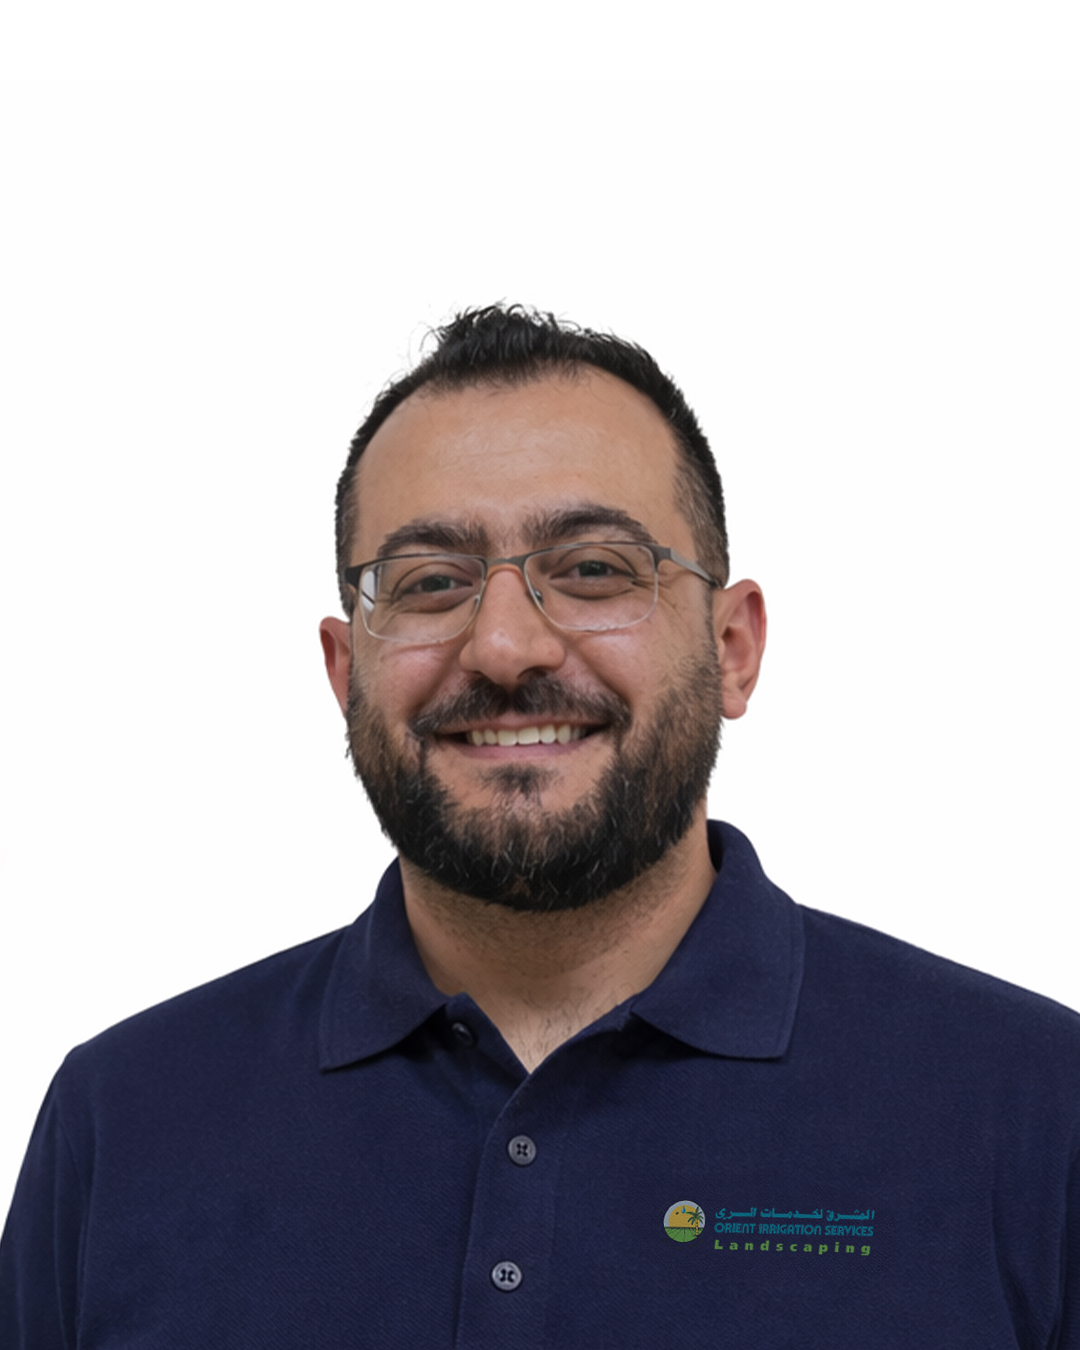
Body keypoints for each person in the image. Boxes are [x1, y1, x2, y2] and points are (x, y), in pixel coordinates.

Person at [1, 304, 1077, 1348]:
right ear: (345, 670)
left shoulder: (1035, 1104)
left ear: (733, 649)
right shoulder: (123, 1118)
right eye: (430, 583)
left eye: (593, 569)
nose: (506, 647)